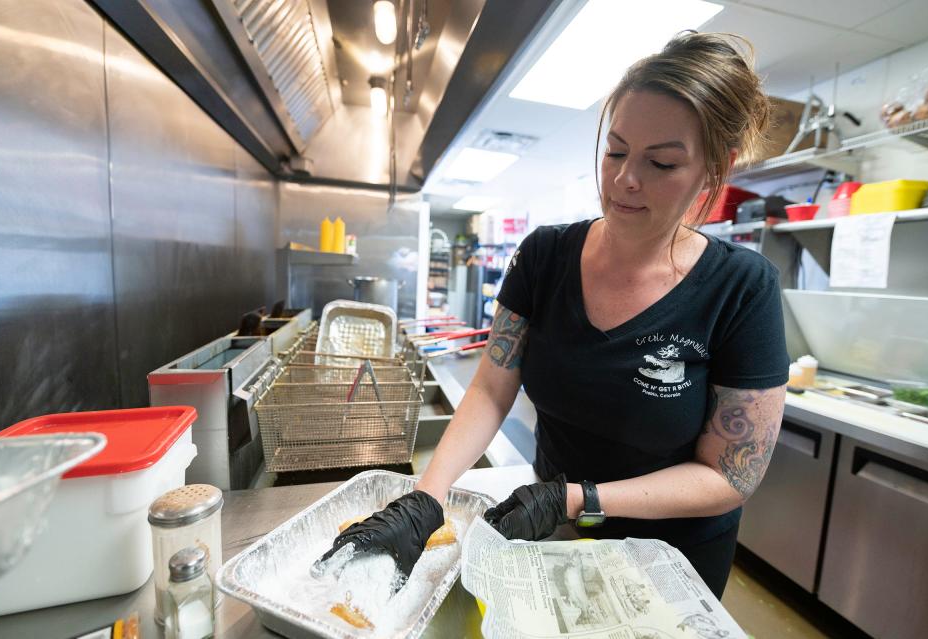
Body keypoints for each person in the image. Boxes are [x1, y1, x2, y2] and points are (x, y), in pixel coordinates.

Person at [319, 31, 788, 599]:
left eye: (661, 163)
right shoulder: (545, 256)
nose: (624, 180)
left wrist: (580, 499)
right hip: (552, 531)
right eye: (615, 151)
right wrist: (429, 495)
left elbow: (730, 475)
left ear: (716, 167)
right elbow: (492, 388)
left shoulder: (740, 286)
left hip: (669, 562)